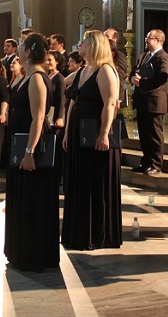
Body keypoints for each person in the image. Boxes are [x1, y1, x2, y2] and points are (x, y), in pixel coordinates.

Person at [61, 30, 122, 250]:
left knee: (94, 182)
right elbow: (73, 101)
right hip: (78, 132)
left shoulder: (105, 70)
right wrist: (67, 132)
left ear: (94, 45)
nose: (79, 45)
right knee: (79, 181)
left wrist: (104, 134)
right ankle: (78, 232)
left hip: (95, 133)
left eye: (83, 42)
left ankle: (97, 234)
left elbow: (110, 104)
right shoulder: (83, 70)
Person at [4, 32, 59, 272]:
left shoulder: (37, 78)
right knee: (22, 200)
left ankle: (32, 254)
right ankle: (20, 251)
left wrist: (29, 152)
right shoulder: (27, 76)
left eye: (21, 46)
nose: (18, 48)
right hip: (21, 144)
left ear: (28, 51)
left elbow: (38, 118)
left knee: (31, 201)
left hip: (30, 146)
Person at [129, 29, 168, 175]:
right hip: (142, 101)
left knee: (154, 135)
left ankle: (156, 164)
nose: (146, 40)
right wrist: (132, 78)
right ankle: (146, 162)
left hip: (155, 102)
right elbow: (134, 71)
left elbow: (162, 77)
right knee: (143, 135)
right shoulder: (144, 56)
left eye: (149, 38)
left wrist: (142, 83)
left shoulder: (165, 58)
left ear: (158, 40)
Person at [46, 50, 66, 184]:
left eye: (50, 60)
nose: (47, 62)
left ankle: (58, 177)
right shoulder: (48, 76)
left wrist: (60, 117)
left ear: (57, 62)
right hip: (47, 114)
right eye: (46, 60)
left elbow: (62, 99)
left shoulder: (60, 78)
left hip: (55, 116)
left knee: (56, 146)